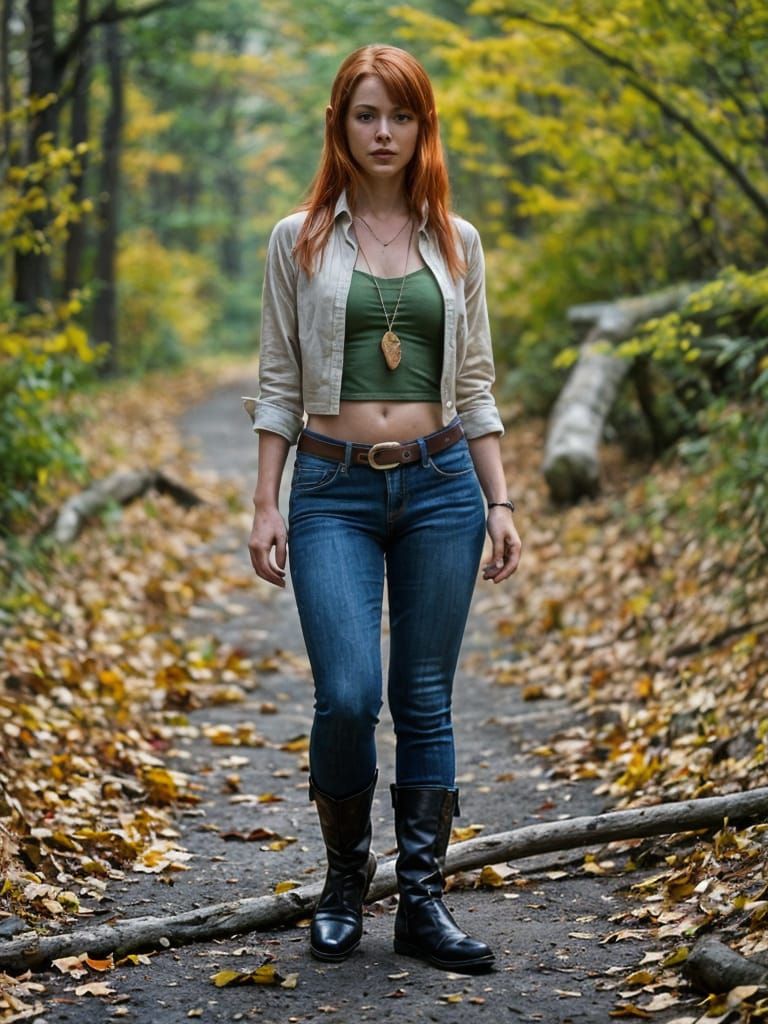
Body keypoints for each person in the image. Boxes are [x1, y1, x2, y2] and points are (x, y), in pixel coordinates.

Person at [246, 44, 521, 974]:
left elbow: (475, 380)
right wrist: (264, 501)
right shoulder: (300, 237)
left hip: (443, 485)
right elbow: (279, 380)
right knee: (350, 695)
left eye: (400, 116)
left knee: (425, 699)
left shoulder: (458, 241)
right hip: (331, 489)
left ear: (422, 126)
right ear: (339, 122)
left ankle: (423, 903)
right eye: (366, 114)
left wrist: (501, 498)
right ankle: (342, 882)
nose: (383, 133)